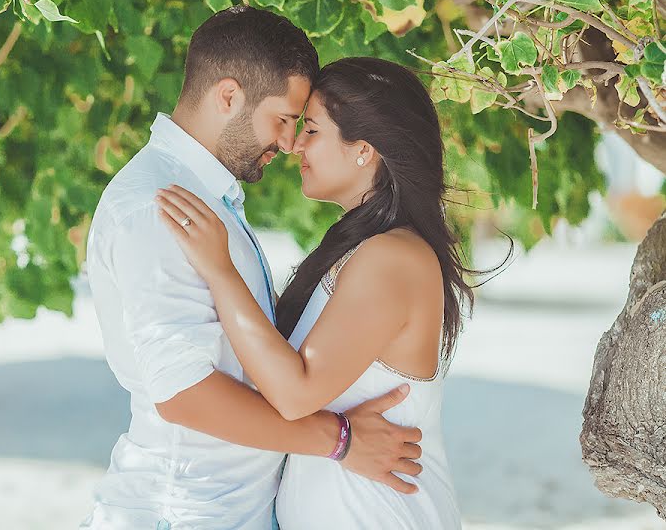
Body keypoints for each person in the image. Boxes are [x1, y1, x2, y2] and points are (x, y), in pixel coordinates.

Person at [82, 9, 423, 530]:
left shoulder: (205, 198)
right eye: (285, 120)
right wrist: (340, 440)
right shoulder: (158, 206)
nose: (289, 144)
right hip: (183, 510)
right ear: (228, 97)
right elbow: (184, 394)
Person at [155, 57, 470, 528]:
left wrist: (219, 269)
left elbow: (295, 392)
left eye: (313, 131)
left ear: (364, 150)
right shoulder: (365, 249)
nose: (294, 144)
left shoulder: (394, 259)